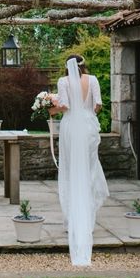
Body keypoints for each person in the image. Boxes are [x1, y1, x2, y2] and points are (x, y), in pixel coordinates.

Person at [54, 54, 109, 266]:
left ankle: (72, 220)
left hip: (70, 126)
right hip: (88, 126)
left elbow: (65, 106)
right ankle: (88, 220)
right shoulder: (93, 80)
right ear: (83, 65)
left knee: (69, 171)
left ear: (68, 67)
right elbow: (98, 105)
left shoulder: (63, 81)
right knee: (90, 170)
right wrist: (87, 112)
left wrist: (51, 105)